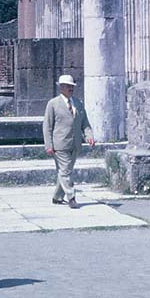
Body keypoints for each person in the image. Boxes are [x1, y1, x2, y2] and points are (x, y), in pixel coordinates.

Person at [42, 74, 94, 209]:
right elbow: (47, 126)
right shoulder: (52, 104)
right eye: (68, 86)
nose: (71, 89)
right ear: (61, 88)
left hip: (75, 144)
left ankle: (57, 197)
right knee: (65, 171)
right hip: (60, 144)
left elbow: (85, 123)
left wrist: (89, 135)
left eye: (72, 86)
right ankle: (72, 198)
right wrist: (48, 145)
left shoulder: (78, 103)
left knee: (65, 171)